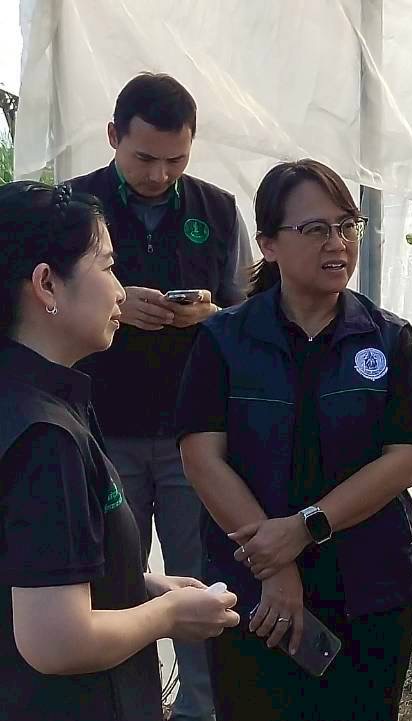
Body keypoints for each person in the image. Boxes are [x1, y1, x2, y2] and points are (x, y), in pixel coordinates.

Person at [175, 158, 412, 720]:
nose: (337, 243)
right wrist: (277, 566)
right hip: (255, 596)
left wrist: (304, 528)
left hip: (370, 588)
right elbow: (201, 457)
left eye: (347, 225)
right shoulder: (225, 340)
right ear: (267, 243)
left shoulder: (390, 341)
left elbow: (405, 457)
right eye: (315, 230)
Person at [0, 181, 239, 721]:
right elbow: (56, 640)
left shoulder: (35, 400)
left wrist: (137, 582)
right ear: (46, 284)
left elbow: (34, 567)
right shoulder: (46, 437)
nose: (119, 291)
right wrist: (168, 613)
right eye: (108, 268)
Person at [67, 71, 252, 721]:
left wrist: (211, 315)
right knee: (109, 581)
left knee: (199, 583)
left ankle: (201, 709)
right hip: (97, 429)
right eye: (145, 157)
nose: (160, 174)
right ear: (114, 136)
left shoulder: (217, 209)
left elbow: (244, 310)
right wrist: (121, 303)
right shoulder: (73, 209)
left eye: (177, 159)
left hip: (191, 436)